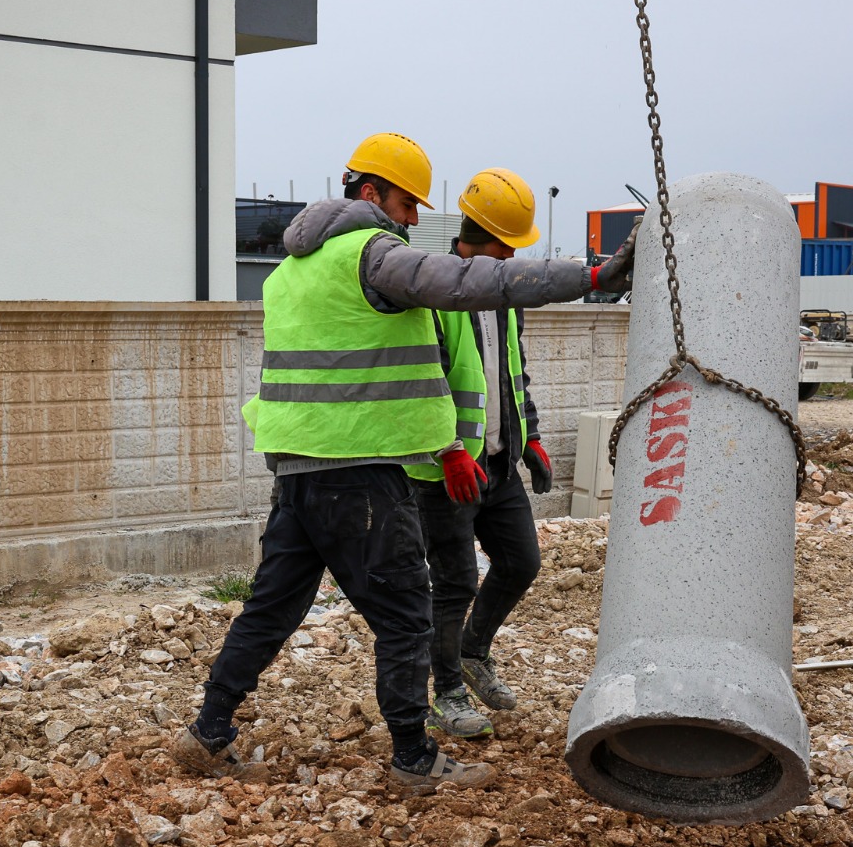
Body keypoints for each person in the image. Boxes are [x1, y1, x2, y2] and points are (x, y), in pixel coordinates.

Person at [173, 133, 634, 791]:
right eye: (407, 203)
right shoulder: (372, 254)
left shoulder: (290, 273)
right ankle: (414, 758)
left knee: (270, 609)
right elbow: (468, 280)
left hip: (297, 470)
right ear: (371, 193)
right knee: (406, 615)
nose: (415, 219)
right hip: (359, 472)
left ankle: (208, 730)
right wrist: (590, 277)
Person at [403, 169, 635, 739]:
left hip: (496, 461)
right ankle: (446, 693)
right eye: (509, 245)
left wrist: (528, 435)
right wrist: (448, 449)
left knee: (520, 562)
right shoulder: (433, 295)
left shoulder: (504, 299)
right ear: (488, 239)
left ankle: (472, 653)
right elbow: (421, 382)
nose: (514, 255)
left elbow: (512, 370)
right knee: (454, 582)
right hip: (445, 470)